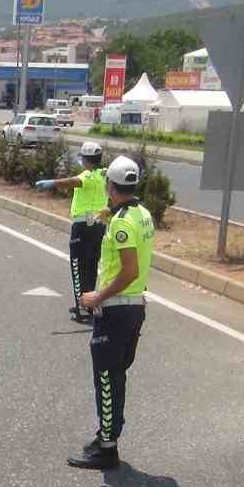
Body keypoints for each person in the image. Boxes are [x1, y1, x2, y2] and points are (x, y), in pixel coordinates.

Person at [68, 156, 154, 470]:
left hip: (116, 311)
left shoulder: (122, 223)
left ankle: (107, 448)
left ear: (110, 186)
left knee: (106, 379)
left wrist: (96, 296)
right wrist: (109, 213)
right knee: (115, 377)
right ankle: (106, 434)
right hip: (133, 310)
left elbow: (129, 270)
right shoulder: (141, 213)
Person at [35, 141, 110, 323]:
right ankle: (89, 303)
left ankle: (82, 308)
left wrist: (52, 183)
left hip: (82, 227)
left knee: (77, 267)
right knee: (91, 266)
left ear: (86, 160)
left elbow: (73, 182)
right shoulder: (104, 174)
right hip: (99, 225)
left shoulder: (88, 175)